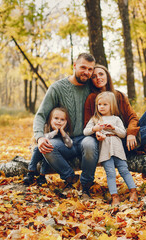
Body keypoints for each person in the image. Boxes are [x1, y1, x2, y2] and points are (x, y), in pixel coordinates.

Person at [33, 53, 98, 198]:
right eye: (83, 67)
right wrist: (39, 137)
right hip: (63, 140)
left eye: (90, 69)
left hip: (86, 137)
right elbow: (41, 115)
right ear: (74, 66)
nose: (86, 72)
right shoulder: (57, 88)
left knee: (90, 145)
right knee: (47, 146)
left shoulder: (94, 87)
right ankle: (71, 179)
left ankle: (86, 186)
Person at [84, 92, 138, 206]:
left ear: (111, 106)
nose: (102, 107)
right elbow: (85, 131)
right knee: (110, 173)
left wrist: (114, 129)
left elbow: (123, 134)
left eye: (105, 104)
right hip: (104, 148)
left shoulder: (116, 119)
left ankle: (133, 191)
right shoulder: (95, 119)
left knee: (124, 169)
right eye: (99, 104)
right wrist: (95, 128)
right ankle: (115, 196)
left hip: (117, 147)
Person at [23, 107, 73, 186]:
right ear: (50, 119)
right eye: (56, 118)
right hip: (41, 150)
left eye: (62, 119)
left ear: (66, 121)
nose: (59, 121)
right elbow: (43, 139)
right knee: (40, 147)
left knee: (49, 149)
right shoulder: (46, 127)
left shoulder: (65, 131)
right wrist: (55, 131)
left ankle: (42, 176)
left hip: (56, 154)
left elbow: (69, 144)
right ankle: (30, 172)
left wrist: (62, 132)